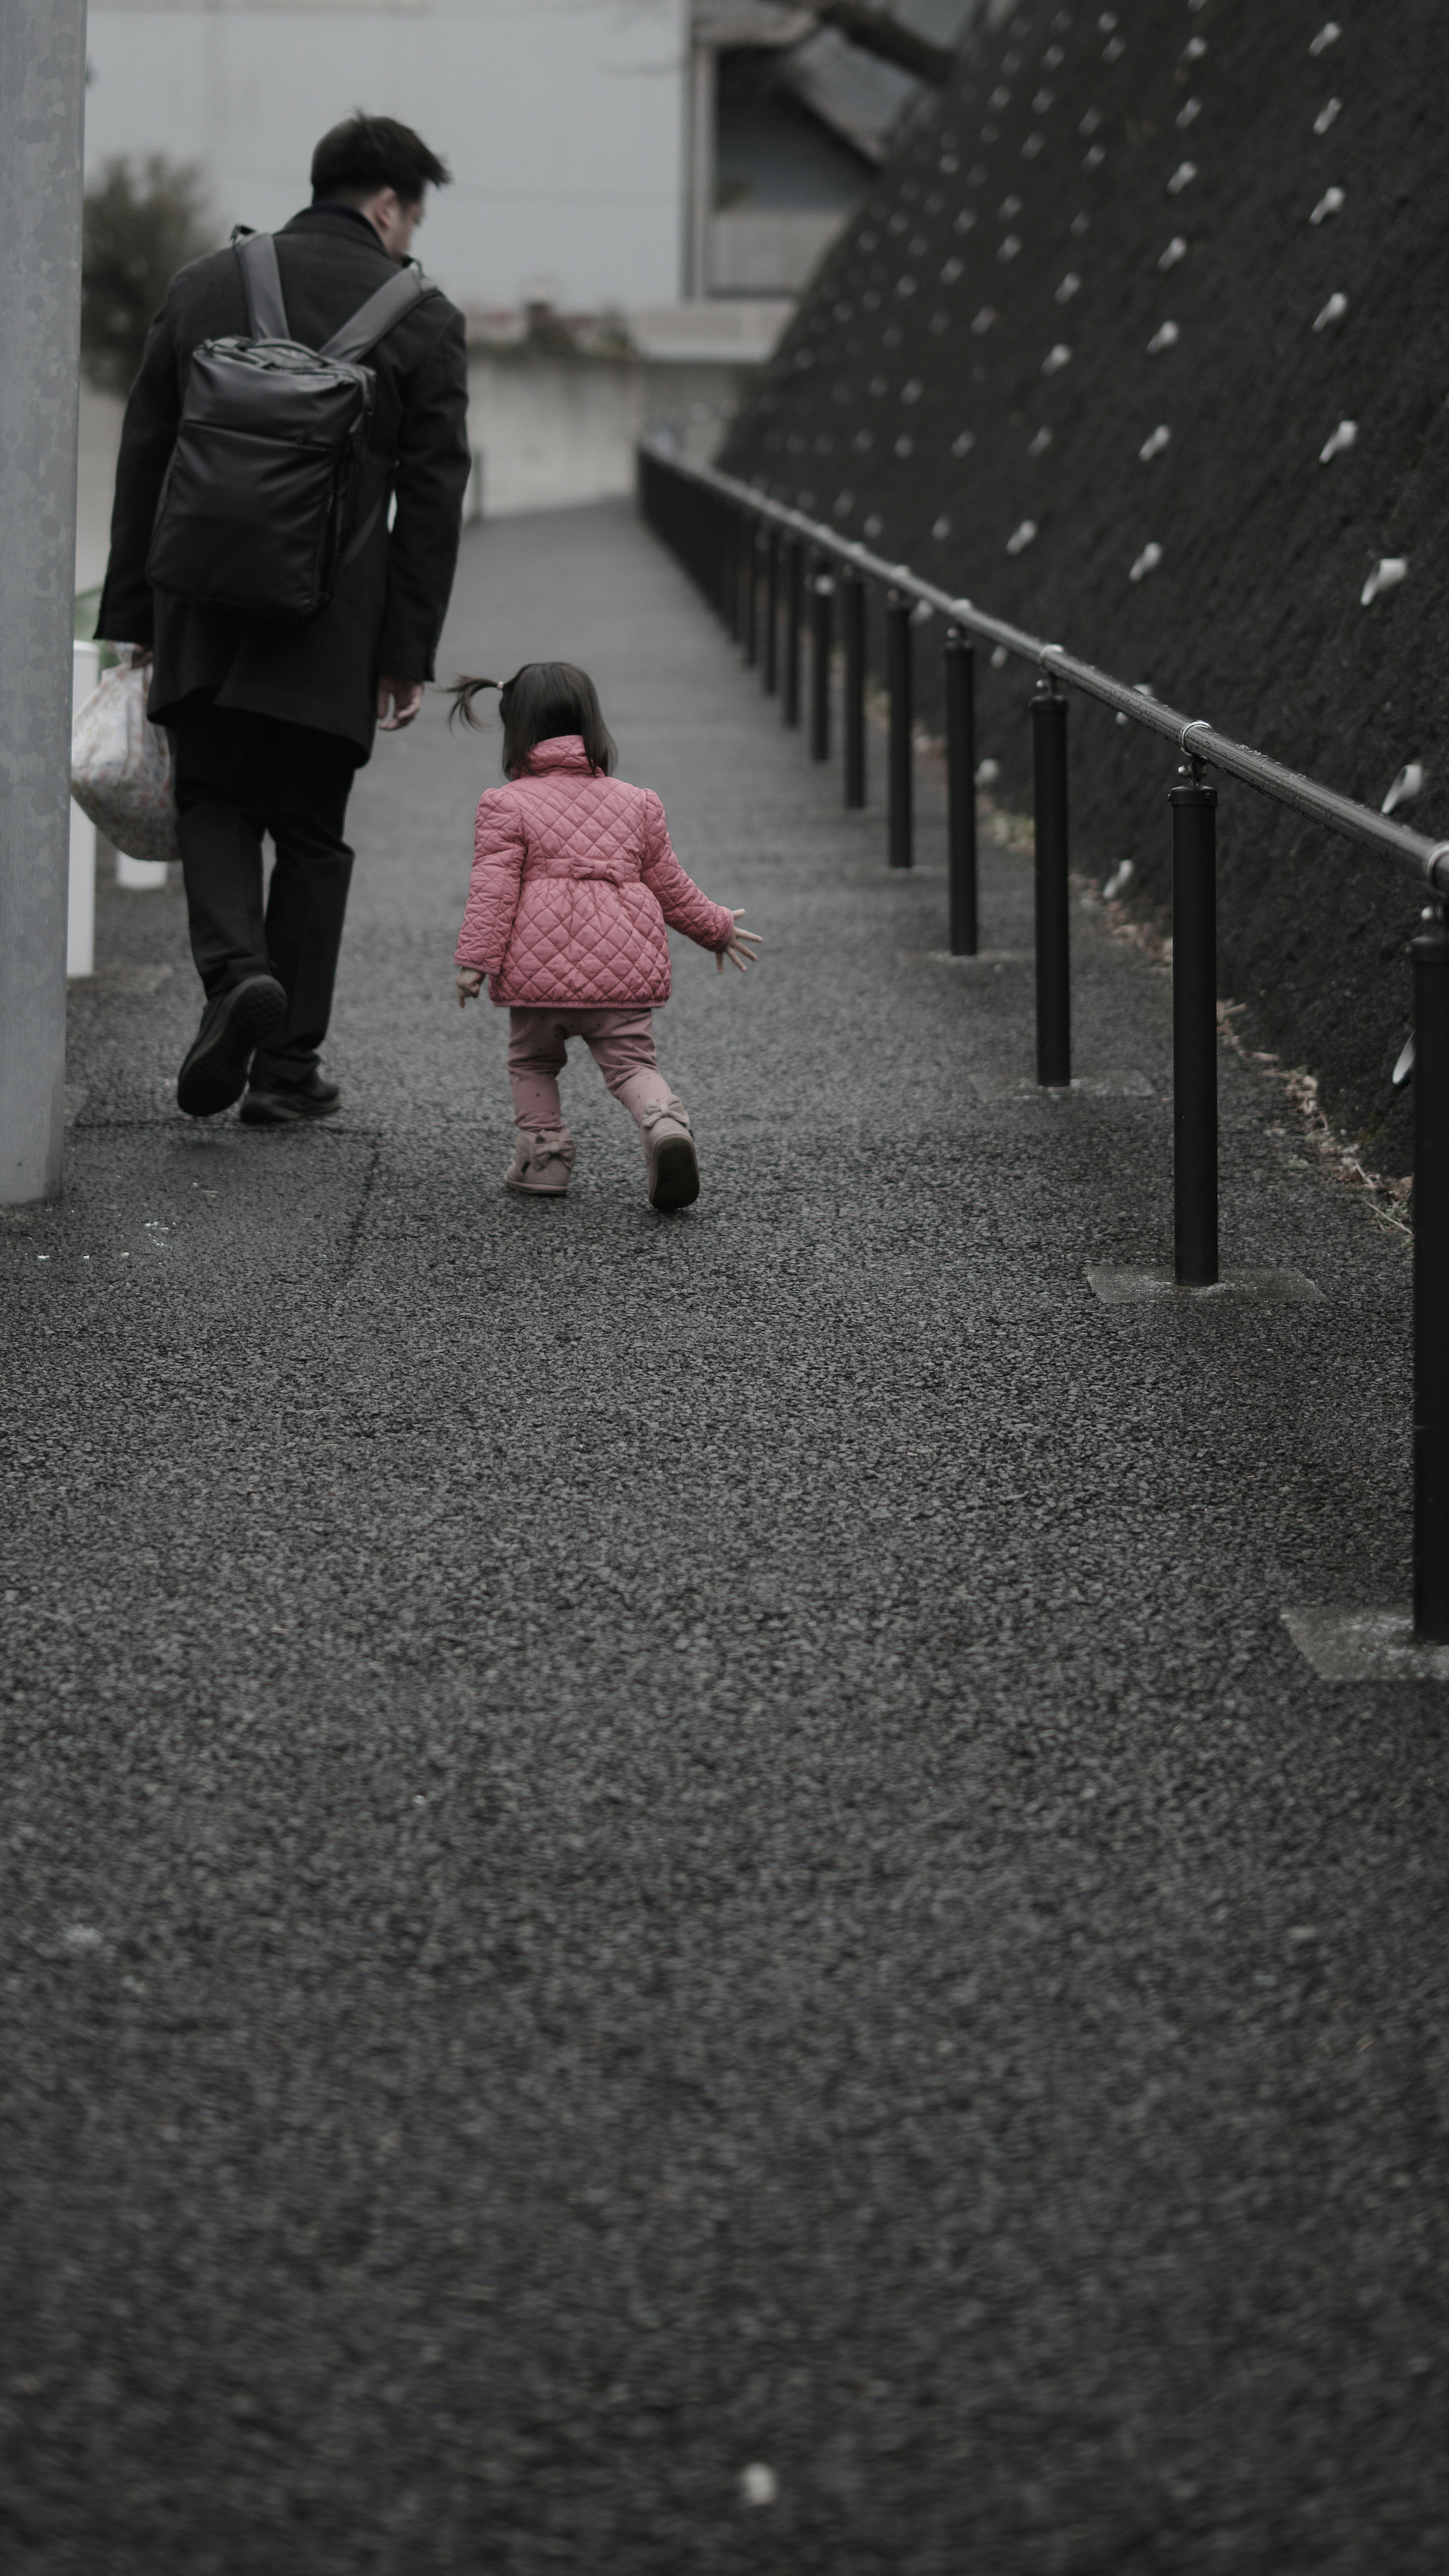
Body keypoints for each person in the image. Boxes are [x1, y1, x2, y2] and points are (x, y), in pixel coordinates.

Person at [96, 113, 471, 1125]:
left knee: (214, 799)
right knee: (311, 834)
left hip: (202, 609)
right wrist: (404, 654)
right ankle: (287, 1070)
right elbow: (433, 502)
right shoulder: (423, 318)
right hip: (330, 625)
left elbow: (148, 457)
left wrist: (129, 615)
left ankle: (234, 981)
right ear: (389, 205)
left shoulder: (204, 286)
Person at [451, 663, 760, 1211]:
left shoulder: (505, 803)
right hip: (621, 968)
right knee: (633, 1066)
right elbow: (669, 883)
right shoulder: (637, 801)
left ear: (516, 730)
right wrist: (717, 928)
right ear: (592, 724)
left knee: (533, 1063)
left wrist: (475, 962)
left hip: (536, 971)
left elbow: (493, 891)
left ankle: (544, 1160)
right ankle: (664, 1122)